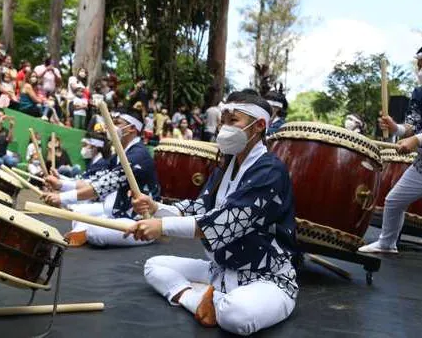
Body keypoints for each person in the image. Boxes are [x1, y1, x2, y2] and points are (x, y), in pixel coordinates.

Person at [125, 92, 298, 335]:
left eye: (233, 120)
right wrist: (155, 208)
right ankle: (196, 299)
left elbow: (225, 222)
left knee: (236, 316)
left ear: (259, 126)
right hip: (220, 270)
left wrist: (160, 226)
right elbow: (199, 209)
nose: (224, 127)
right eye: (223, 121)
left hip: (267, 278)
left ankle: (215, 300)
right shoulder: (224, 169)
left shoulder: (271, 172)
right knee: (154, 265)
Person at [42, 108, 160, 247]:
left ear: (132, 128)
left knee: (94, 232)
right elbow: (95, 182)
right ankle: (83, 232)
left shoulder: (138, 155)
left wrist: (62, 197)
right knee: (79, 214)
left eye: (117, 122)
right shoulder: (119, 155)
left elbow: (102, 186)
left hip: (140, 222)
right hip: (116, 213)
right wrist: (60, 184)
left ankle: (86, 233)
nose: (111, 127)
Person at [358, 79, 422, 253]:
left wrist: (417, 140)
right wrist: (396, 128)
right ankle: (387, 243)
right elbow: (413, 126)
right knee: (394, 201)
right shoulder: (419, 92)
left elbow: (416, 136)